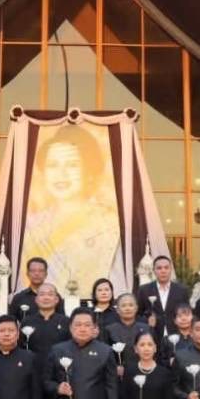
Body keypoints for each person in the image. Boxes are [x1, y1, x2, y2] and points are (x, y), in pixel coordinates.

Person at [23, 123, 123, 290]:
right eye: (53, 165)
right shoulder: (32, 226)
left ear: (89, 171)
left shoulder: (109, 225)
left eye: (72, 165)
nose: (61, 174)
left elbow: (117, 283)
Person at [136, 255, 190, 336]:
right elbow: (138, 315)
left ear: (171, 270)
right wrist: (147, 321)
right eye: (159, 268)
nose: (163, 271)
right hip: (152, 335)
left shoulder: (182, 290)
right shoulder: (144, 290)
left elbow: (187, 313)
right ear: (154, 270)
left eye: (166, 267)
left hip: (176, 335)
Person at [101, 293, 151, 375]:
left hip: (142, 372)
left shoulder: (146, 328)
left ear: (136, 308)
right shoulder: (109, 330)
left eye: (131, 305)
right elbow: (105, 355)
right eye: (123, 306)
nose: (127, 308)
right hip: (118, 374)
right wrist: (115, 367)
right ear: (117, 310)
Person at [20, 282, 70, 359]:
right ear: (36, 299)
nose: (46, 298)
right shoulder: (27, 322)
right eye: (42, 294)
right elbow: (21, 347)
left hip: (59, 367)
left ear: (56, 299)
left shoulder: (66, 322)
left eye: (50, 294)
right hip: (33, 367)